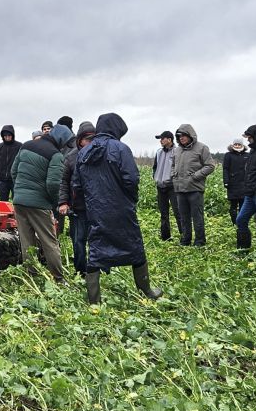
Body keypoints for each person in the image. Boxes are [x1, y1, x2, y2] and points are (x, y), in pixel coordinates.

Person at [74, 113, 161, 304]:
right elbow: (132, 179)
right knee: (134, 246)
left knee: (95, 250)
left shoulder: (83, 153)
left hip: (96, 210)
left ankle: (94, 300)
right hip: (121, 209)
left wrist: (90, 204)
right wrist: (130, 200)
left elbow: (77, 185)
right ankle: (146, 290)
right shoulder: (121, 148)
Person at [11, 124, 73, 282]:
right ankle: (59, 278)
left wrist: (20, 190)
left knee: (27, 240)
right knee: (49, 241)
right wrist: (54, 204)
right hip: (38, 204)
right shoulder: (56, 155)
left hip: (19, 202)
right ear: (61, 140)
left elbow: (13, 171)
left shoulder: (26, 145)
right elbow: (53, 184)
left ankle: (31, 275)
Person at [58, 121, 96, 274]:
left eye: (93, 139)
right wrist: (63, 202)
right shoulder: (71, 157)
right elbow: (63, 182)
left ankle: (96, 269)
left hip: (96, 207)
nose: (89, 143)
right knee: (78, 241)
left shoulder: (99, 154)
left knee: (96, 240)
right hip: (77, 207)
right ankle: (81, 271)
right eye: (87, 139)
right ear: (79, 140)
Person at [171, 123, 216, 247]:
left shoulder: (202, 148)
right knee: (183, 217)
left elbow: (210, 166)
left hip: (195, 189)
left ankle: (199, 241)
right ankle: (185, 240)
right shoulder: (177, 150)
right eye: (179, 136)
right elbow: (173, 165)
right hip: (180, 189)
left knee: (197, 217)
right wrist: (173, 175)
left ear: (190, 135)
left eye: (184, 135)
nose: (181, 138)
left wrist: (196, 176)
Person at [152, 131, 179, 241]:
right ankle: (166, 237)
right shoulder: (158, 152)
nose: (161, 141)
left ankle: (184, 236)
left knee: (178, 212)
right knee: (164, 213)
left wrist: (174, 180)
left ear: (169, 139)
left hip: (172, 186)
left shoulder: (177, 152)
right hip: (160, 186)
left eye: (162, 138)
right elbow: (155, 167)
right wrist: (155, 177)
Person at [221, 138, 249, 224]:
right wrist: (226, 181)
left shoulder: (247, 155)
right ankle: (234, 222)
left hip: (244, 184)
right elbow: (225, 169)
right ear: (233, 145)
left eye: (239, 144)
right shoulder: (228, 155)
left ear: (242, 145)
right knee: (233, 205)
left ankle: (241, 222)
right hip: (232, 184)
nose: (237, 146)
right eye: (235, 144)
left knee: (243, 205)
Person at [0, 126, 22, 201]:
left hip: (15, 179)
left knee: (16, 201)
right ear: (3, 136)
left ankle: (16, 213)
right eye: (5, 136)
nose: (7, 137)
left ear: (12, 135)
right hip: (2, 180)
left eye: (9, 135)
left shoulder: (19, 146)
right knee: (3, 201)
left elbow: (21, 162)